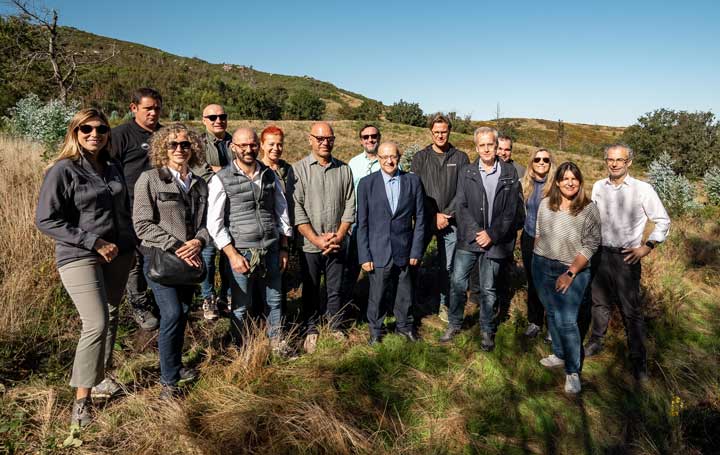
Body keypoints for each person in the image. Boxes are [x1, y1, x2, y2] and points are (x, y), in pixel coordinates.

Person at [36, 108, 135, 427]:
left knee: (111, 313)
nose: (95, 134)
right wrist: (93, 242)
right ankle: (82, 403)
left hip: (118, 254)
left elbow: (124, 210)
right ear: (75, 132)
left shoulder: (113, 167)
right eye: (86, 129)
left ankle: (102, 377)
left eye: (101, 129)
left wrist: (131, 244)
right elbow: (46, 220)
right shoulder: (63, 170)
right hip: (80, 254)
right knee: (95, 321)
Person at [132, 123, 209, 399]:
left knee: (182, 315)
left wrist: (199, 242)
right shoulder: (150, 179)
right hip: (161, 260)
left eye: (185, 144)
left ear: (194, 148)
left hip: (189, 262)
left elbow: (205, 224)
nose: (179, 149)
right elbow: (141, 225)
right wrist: (177, 246)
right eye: (173, 145)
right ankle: (168, 383)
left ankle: (175, 368)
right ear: (162, 148)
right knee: (173, 314)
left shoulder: (199, 183)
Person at [586, 144, 670, 381]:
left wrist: (647, 247)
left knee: (630, 310)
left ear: (629, 162)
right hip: (601, 254)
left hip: (627, 257)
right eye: (610, 159)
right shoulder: (598, 187)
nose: (614, 164)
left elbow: (663, 220)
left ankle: (638, 361)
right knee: (599, 303)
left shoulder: (643, 189)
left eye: (619, 160)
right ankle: (596, 342)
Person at [207, 127, 292, 352]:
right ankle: (240, 346)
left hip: (271, 248)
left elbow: (281, 211)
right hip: (241, 251)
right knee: (241, 304)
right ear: (233, 147)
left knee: (274, 300)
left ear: (258, 145)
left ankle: (277, 342)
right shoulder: (221, 179)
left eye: (253, 144)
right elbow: (214, 222)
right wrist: (232, 255)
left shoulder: (269, 174)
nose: (248, 149)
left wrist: (284, 247)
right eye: (243, 145)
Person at [439, 127, 523, 351]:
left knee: (488, 288)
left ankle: (487, 329)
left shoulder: (508, 172)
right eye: (482, 145)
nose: (486, 149)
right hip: (469, 239)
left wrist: (492, 234)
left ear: (496, 147)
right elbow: (461, 205)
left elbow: (511, 209)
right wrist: (478, 231)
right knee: (457, 282)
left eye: (490, 145)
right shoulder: (467, 172)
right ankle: (455, 323)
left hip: (494, 242)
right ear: (476, 147)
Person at [532, 162, 601, 394]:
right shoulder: (545, 204)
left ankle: (572, 371)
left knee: (567, 319)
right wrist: (537, 259)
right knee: (550, 311)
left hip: (573, 270)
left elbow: (592, 245)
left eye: (574, 178)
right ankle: (559, 354)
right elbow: (539, 233)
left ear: (580, 182)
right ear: (558, 182)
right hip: (542, 264)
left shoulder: (589, 209)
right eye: (565, 179)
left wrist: (570, 272)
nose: (570, 182)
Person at [293, 122, 355, 354]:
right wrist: (316, 239)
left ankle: (335, 324)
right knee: (310, 287)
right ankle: (310, 329)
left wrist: (339, 236)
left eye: (328, 138)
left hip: (337, 242)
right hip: (311, 244)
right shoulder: (298, 170)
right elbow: (296, 209)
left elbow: (350, 205)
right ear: (310, 139)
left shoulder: (344, 169)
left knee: (335, 287)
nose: (324, 142)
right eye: (319, 138)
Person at [356, 142, 425, 344]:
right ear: (378, 158)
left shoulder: (412, 182)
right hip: (378, 250)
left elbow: (420, 219)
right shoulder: (367, 184)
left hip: (404, 249)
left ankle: (405, 327)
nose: (389, 161)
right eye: (384, 157)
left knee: (405, 293)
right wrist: (365, 255)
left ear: (399, 157)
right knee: (376, 294)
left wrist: (416, 251)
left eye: (393, 156)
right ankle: (376, 331)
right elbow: (362, 223)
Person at [112, 87, 163, 331]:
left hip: (163, 209)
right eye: (148, 108)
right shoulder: (121, 135)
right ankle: (138, 305)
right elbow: (108, 172)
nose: (153, 113)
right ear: (134, 108)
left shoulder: (164, 135)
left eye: (157, 108)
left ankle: (162, 299)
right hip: (130, 209)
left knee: (159, 254)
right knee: (134, 260)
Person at [411, 114, 469, 321]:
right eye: (436, 132)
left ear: (449, 131)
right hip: (425, 220)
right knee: (414, 261)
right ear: (431, 132)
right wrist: (433, 214)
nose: (440, 135)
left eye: (443, 131)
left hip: (451, 222)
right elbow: (415, 190)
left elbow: (463, 190)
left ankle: (445, 304)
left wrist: (447, 214)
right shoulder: (420, 158)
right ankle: (411, 301)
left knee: (449, 266)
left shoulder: (460, 158)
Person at [192, 104, 233, 321]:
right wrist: (229, 172)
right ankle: (207, 297)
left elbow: (244, 170)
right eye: (213, 117)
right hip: (206, 209)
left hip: (232, 209)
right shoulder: (197, 144)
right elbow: (202, 174)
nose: (218, 120)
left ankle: (226, 296)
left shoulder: (234, 142)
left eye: (222, 116)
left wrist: (217, 170)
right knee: (207, 255)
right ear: (204, 120)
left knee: (228, 255)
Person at [344, 124, 382, 317]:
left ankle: (376, 306)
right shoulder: (353, 163)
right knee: (351, 267)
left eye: (373, 136)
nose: (370, 140)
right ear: (361, 140)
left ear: (379, 137)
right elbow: (348, 194)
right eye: (365, 137)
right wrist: (349, 222)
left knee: (379, 267)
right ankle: (346, 305)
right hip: (358, 224)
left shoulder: (388, 160)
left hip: (380, 226)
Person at [520, 148, 555, 338]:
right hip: (529, 236)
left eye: (546, 160)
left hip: (550, 240)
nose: (541, 162)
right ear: (531, 162)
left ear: (551, 163)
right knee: (533, 281)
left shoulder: (556, 186)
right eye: (537, 159)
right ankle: (534, 321)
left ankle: (552, 325)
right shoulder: (526, 184)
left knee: (549, 282)